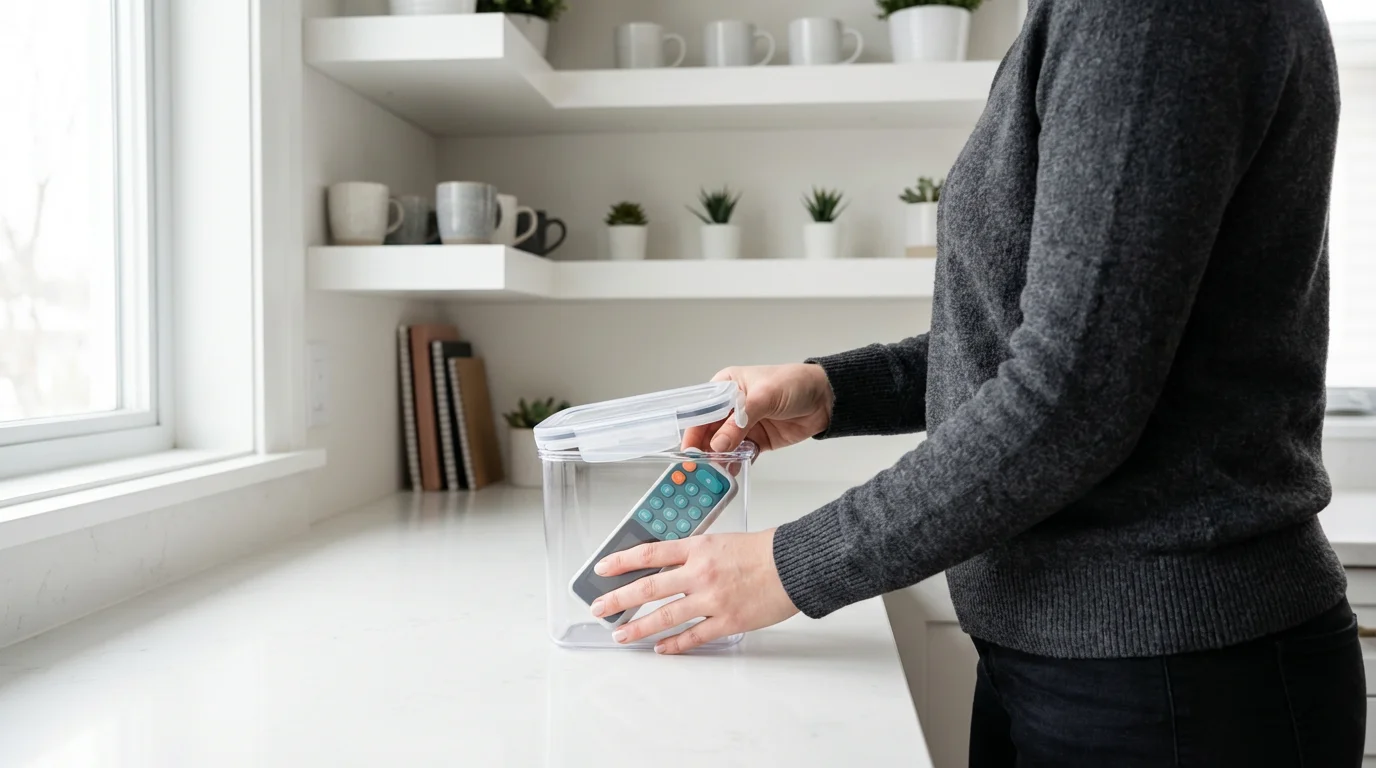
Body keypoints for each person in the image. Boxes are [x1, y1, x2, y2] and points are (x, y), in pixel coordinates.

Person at [586, 0, 1367, 764]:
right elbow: (1061, 340)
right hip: (1085, 658)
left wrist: (792, 565)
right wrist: (834, 392)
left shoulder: (1149, 17)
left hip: (1174, 682)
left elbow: (1071, 396)